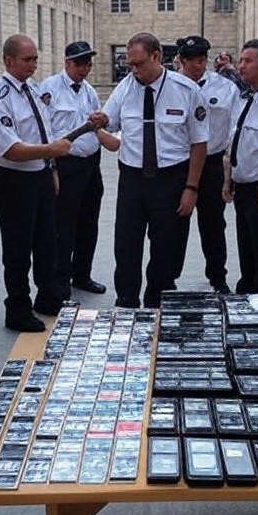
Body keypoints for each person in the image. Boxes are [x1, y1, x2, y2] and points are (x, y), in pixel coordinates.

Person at [89, 31, 208, 308]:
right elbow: (110, 122)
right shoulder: (126, 87)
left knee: (165, 246)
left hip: (171, 179)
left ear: (157, 57)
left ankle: (157, 301)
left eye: (139, 63)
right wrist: (101, 120)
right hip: (132, 178)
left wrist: (191, 188)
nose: (133, 70)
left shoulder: (187, 91)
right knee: (126, 244)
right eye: (129, 64)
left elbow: (199, 144)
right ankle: (127, 301)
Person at [0, 35, 72, 332]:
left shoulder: (32, 90)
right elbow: (10, 149)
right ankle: (17, 309)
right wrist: (51, 152)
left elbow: (43, 132)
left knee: (47, 241)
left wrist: (52, 168)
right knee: (18, 248)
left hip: (42, 175)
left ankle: (48, 297)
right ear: (8, 61)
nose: (33, 65)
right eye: (27, 59)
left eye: (35, 58)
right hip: (15, 181)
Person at [38, 40, 106, 298]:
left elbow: (97, 126)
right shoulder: (49, 89)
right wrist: (52, 166)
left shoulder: (89, 90)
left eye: (88, 63)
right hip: (65, 166)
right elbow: (45, 131)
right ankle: (60, 279)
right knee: (63, 226)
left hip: (91, 165)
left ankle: (82, 274)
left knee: (89, 222)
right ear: (67, 63)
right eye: (79, 63)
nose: (84, 68)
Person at [175, 35, 237, 294]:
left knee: (213, 225)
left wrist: (228, 173)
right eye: (192, 61)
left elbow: (234, 130)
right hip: (179, 163)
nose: (198, 65)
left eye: (202, 60)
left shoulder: (225, 88)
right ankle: (169, 276)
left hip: (211, 163)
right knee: (175, 224)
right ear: (180, 61)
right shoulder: (169, 87)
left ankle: (218, 277)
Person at [222, 39, 258, 293]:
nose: (241, 66)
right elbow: (235, 142)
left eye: (248, 61)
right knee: (246, 246)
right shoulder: (246, 97)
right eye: (241, 60)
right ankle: (247, 291)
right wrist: (228, 179)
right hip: (242, 186)